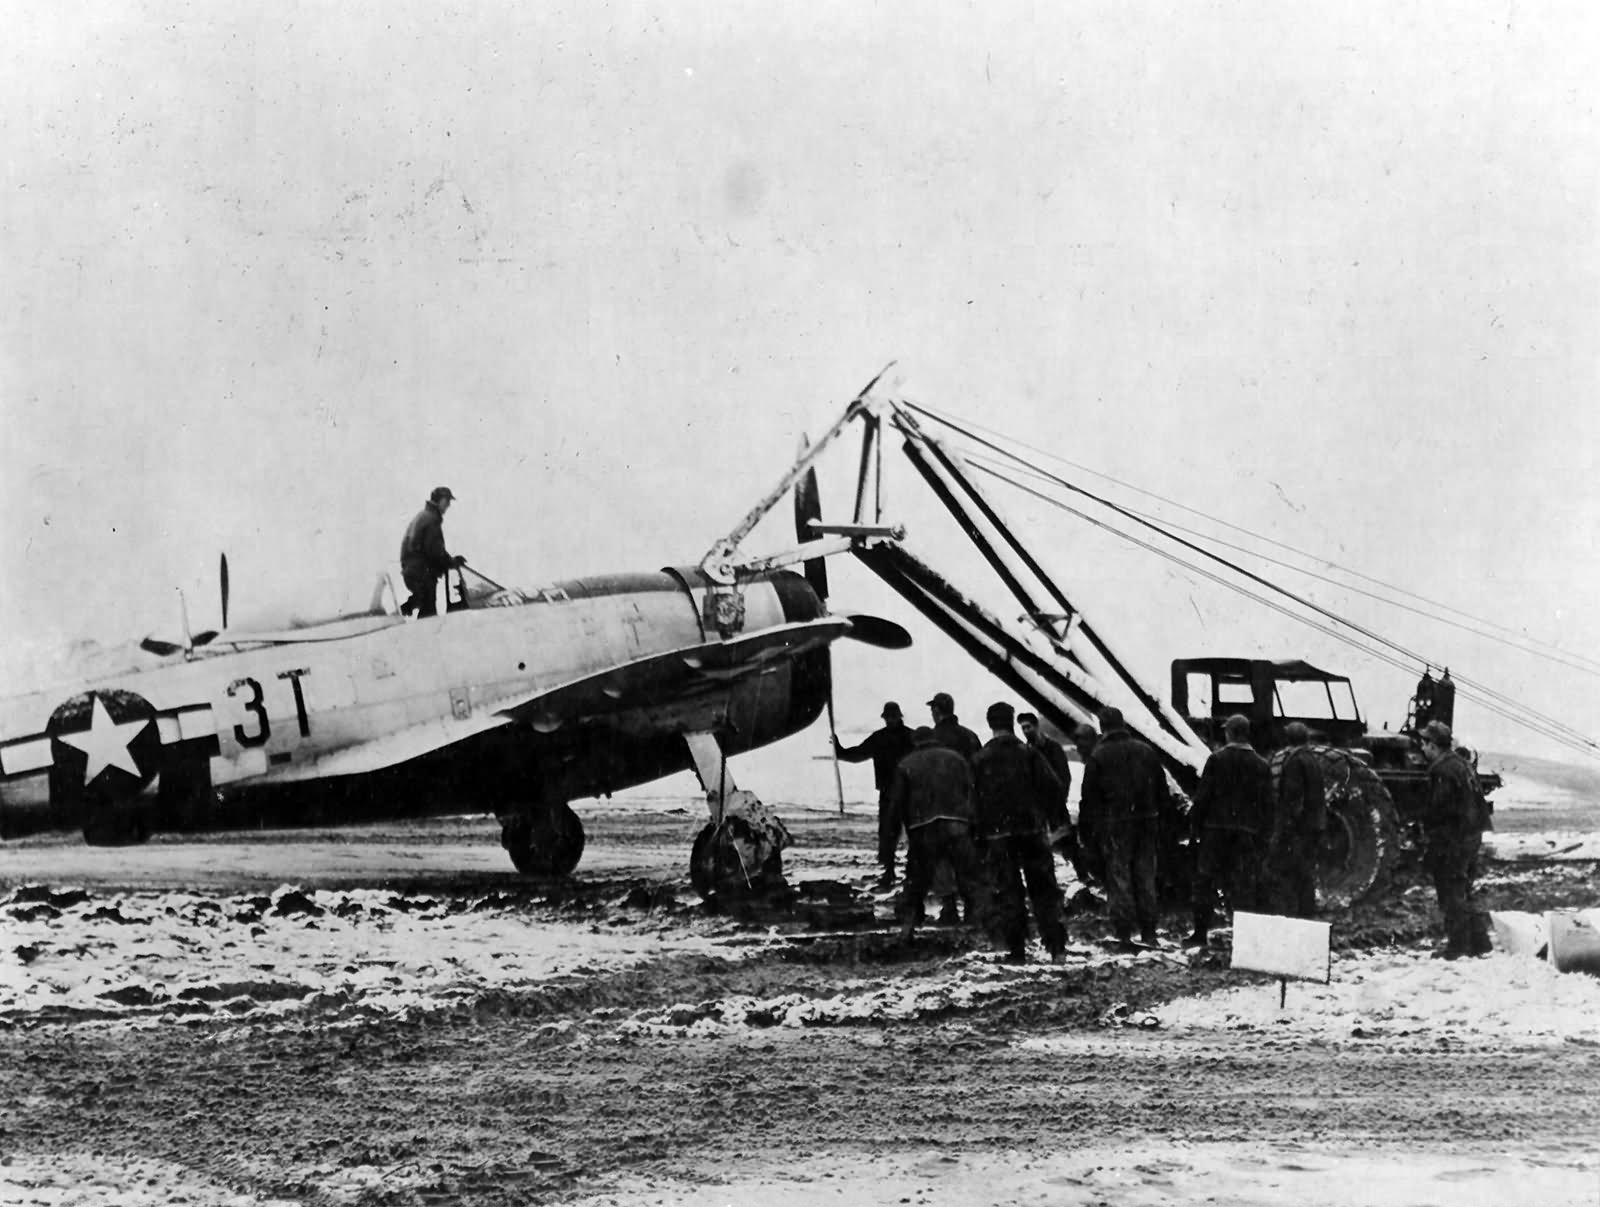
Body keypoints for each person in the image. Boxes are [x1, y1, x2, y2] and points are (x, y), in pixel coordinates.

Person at [971, 701, 1066, 964]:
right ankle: (1057, 948)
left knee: (1007, 891)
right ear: (1012, 721)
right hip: (1032, 831)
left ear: (991, 724)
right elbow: (1054, 787)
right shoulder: (1029, 753)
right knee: (1044, 889)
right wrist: (1046, 816)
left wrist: (980, 832)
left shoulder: (979, 759)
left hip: (997, 835)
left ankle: (1017, 951)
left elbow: (972, 802)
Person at [888, 727, 989, 942]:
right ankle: (975, 919)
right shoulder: (957, 759)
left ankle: (918, 922)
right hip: (958, 823)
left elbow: (896, 804)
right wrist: (975, 823)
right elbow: (973, 791)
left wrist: (890, 839)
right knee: (967, 872)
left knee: (920, 876)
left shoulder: (906, 763)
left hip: (923, 826)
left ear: (915, 742)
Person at [1079, 705, 1166, 951]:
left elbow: (1089, 801)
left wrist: (1086, 834)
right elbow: (1162, 791)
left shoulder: (1098, 756)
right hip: (1147, 822)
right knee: (1145, 876)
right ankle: (1149, 931)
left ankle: (1124, 933)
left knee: (1120, 878)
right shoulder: (1146, 752)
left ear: (1102, 727)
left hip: (1115, 826)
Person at [1185, 714, 1271, 948]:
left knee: (1205, 882)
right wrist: (1262, 837)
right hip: (1246, 834)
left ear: (1229, 733)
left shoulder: (1216, 760)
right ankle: (1244, 939)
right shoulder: (1262, 765)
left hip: (1215, 832)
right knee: (1243, 885)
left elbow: (1203, 798)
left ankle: (1200, 934)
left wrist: (1194, 826)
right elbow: (1267, 806)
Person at [1418, 720, 1493, 959]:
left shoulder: (1442, 770)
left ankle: (1458, 946)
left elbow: (1440, 809)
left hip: (1454, 838)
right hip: (1472, 835)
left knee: (1451, 889)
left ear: (1432, 745)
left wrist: (1425, 829)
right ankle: (1480, 943)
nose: (1421, 748)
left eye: (1423, 743)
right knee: (1463, 888)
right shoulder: (1462, 764)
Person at [833, 702, 916, 888]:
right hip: (890, 792)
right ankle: (889, 871)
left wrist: (839, 751)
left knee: (909, 833)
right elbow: (857, 754)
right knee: (887, 833)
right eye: (888, 717)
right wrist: (839, 750)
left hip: (909, 793)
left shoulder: (909, 736)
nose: (890, 720)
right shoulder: (883, 737)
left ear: (899, 716)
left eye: (892, 716)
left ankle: (907, 871)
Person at [925, 692, 983, 922]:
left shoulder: (932, 738)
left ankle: (949, 908)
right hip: (966, 809)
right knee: (967, 859)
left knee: (941, 859)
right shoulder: (970, 736)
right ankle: (971, 907)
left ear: (937, 711)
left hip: (938, 809)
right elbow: (979, 771)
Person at [1263, 721, 1326, 918]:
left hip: (1298, 828)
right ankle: (1307, 912)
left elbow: (1293, 798)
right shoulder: (1312, 759)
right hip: (1314, 825)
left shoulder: (1294, 761)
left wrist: (1284, 830)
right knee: (1305, 871)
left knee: (1290, 871)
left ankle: (1294, 914)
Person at [1019, 711, 1091, 882]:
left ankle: (1083, 876)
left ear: (1036, 726)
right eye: (1023, 728)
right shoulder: (1025, 751)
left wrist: (1060, 800)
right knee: (1043, 849)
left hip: (1056, 805)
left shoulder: (1053, 748)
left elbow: (1064, 777)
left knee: (1069, 844)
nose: (1026, 731)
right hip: (1038, 807)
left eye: (1028, 727)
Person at [400, 487, 466, 619]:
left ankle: (408, 606)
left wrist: (448, 561)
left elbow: (433, 549)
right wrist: (451, 562)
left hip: (414, 571)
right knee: (429, 613)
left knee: (425, 608)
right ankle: (406, 609)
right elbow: (435, 551)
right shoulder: (431, 519)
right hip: (421, 573)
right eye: (447, 501)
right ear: (441, 500)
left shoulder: (424, 516)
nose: (448, 505)